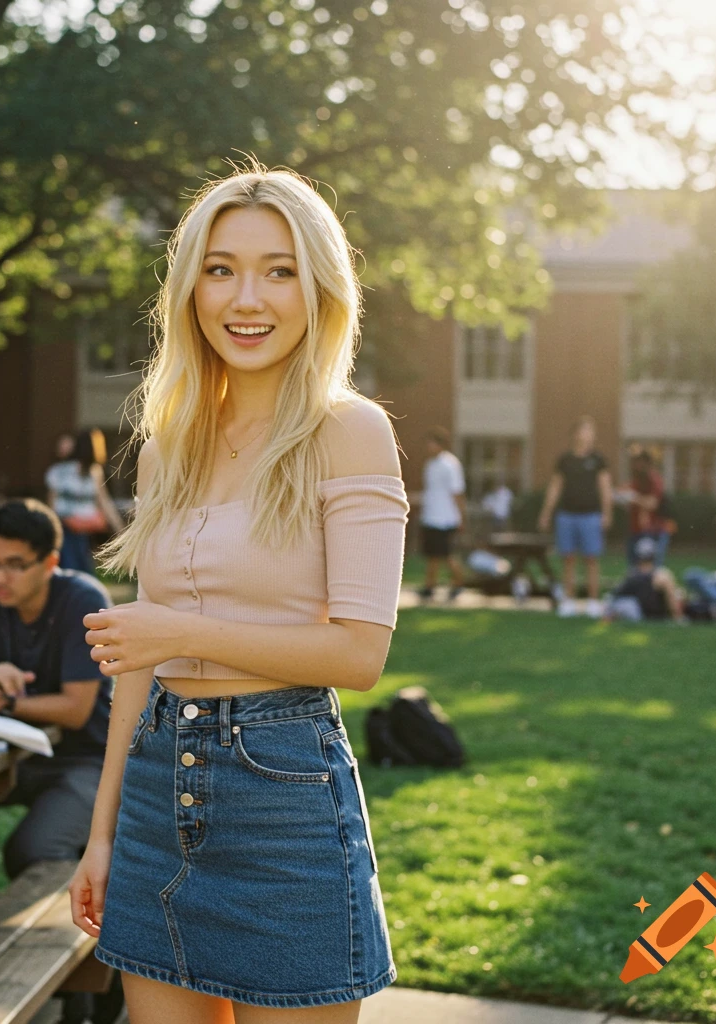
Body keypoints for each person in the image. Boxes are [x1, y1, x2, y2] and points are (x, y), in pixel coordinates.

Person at [67, 165, 406, 1021]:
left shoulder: (350, 432)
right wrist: (102, 833)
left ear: (319, 288)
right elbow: (137, 663)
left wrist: (181, 627)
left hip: (281, 795)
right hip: (153, 789)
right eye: (220, 269)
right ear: (189, 288)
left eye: (278, 270)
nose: (245, 297)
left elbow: (360, 656)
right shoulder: (166, 448)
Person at [0, 498, 123, 1024]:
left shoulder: (82, 597)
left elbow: (78, 709)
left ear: (49, 563)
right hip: (17, 755)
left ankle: (88, 988)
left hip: (89, 761)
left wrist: (1, 701)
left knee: (34, 849)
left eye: (15, 564)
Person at [538, 415, 612, 618]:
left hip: (591, 516)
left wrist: (607, 513)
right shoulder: (565, 460)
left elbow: (605, 488)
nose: (589, 435)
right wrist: (546, 512)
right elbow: (555, 487)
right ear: (576, 434)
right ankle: (568, 600)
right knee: (568, 559)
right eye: (585, 430)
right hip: (567, 516)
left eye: (592, 431)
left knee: (591, 559)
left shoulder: (598, 460)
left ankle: (593, 601)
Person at [46, 428, 124, 575]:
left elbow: (52, 504)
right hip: (79, 527)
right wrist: (119, 528)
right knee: (83, 569)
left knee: (70, 568)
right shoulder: (93, 471)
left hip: (67, 526)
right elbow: (104, 502)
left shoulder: (59, 471)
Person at [417, 426, 466, 601]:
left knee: (447, 554)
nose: (428, 447)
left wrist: (461, 517)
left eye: (431, 444)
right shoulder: (430, 465)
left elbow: (457, 493)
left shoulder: (450, 465)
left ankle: (459, 583)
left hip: (446, 518)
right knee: (432, 554)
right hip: (431, 516)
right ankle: (429, 586)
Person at [604, 536, 683, 622]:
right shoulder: (661, 576)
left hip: (633, 612)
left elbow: (616, 594)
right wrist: (678, 617)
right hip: (645, 614)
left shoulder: (631, 575)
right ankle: (678, 618)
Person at [619, 446, 670, 566]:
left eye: (640, 461)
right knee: (634, 568)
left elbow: (653, 503)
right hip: (636, 530)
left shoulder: (655, 480)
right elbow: (623, 494)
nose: (637, 465)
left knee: (653, 568)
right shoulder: (635, 481)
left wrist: (634, 498)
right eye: (635, 462)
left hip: (655, 531)